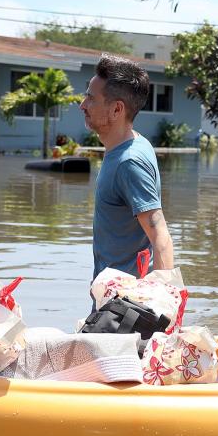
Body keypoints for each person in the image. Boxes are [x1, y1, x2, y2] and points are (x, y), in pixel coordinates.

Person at [81, 54, 175, 282]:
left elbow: (160, 236)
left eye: (91, 99)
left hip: (124, 306)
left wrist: (160, 301)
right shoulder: (132, 144)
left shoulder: (129, 162)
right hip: (113, 300)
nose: (82, 105)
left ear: (116, 110)